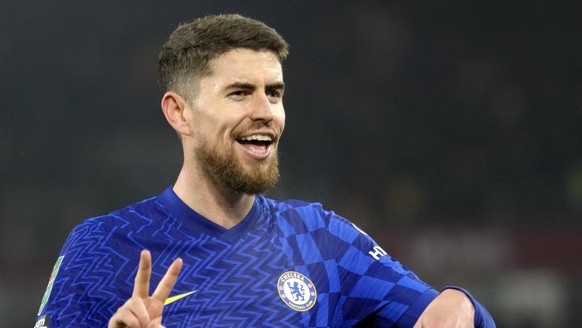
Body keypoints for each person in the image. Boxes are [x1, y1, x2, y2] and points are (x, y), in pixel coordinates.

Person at [35, 14, 495, 328]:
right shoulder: (102, 246)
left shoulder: (322, 239)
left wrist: (462, 303)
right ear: (180, 113)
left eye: (273, 93)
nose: (267, 112)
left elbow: (441, 315)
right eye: (239, 93)